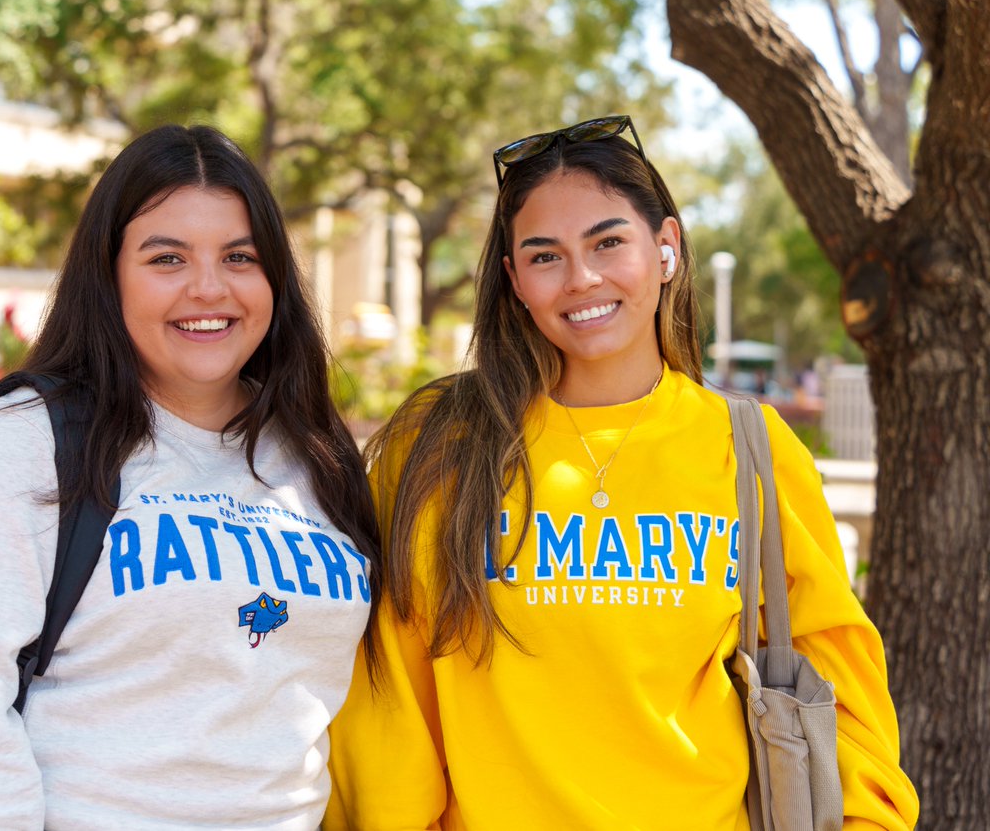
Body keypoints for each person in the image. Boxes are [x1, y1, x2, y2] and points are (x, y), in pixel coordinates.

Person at [324, 116, 918, 829]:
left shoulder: (748, 446)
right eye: (545, 256)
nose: (582, 279)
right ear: (513, 279)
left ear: (665, 248)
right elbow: (390, 695)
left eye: (609, 242)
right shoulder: (441, 444)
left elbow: (842, 677)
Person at [0, 124, 379, 830]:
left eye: (239, 256)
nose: (208, 288)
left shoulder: (315, 450)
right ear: (109, 274)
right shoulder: (31, 444)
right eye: (166, 258)